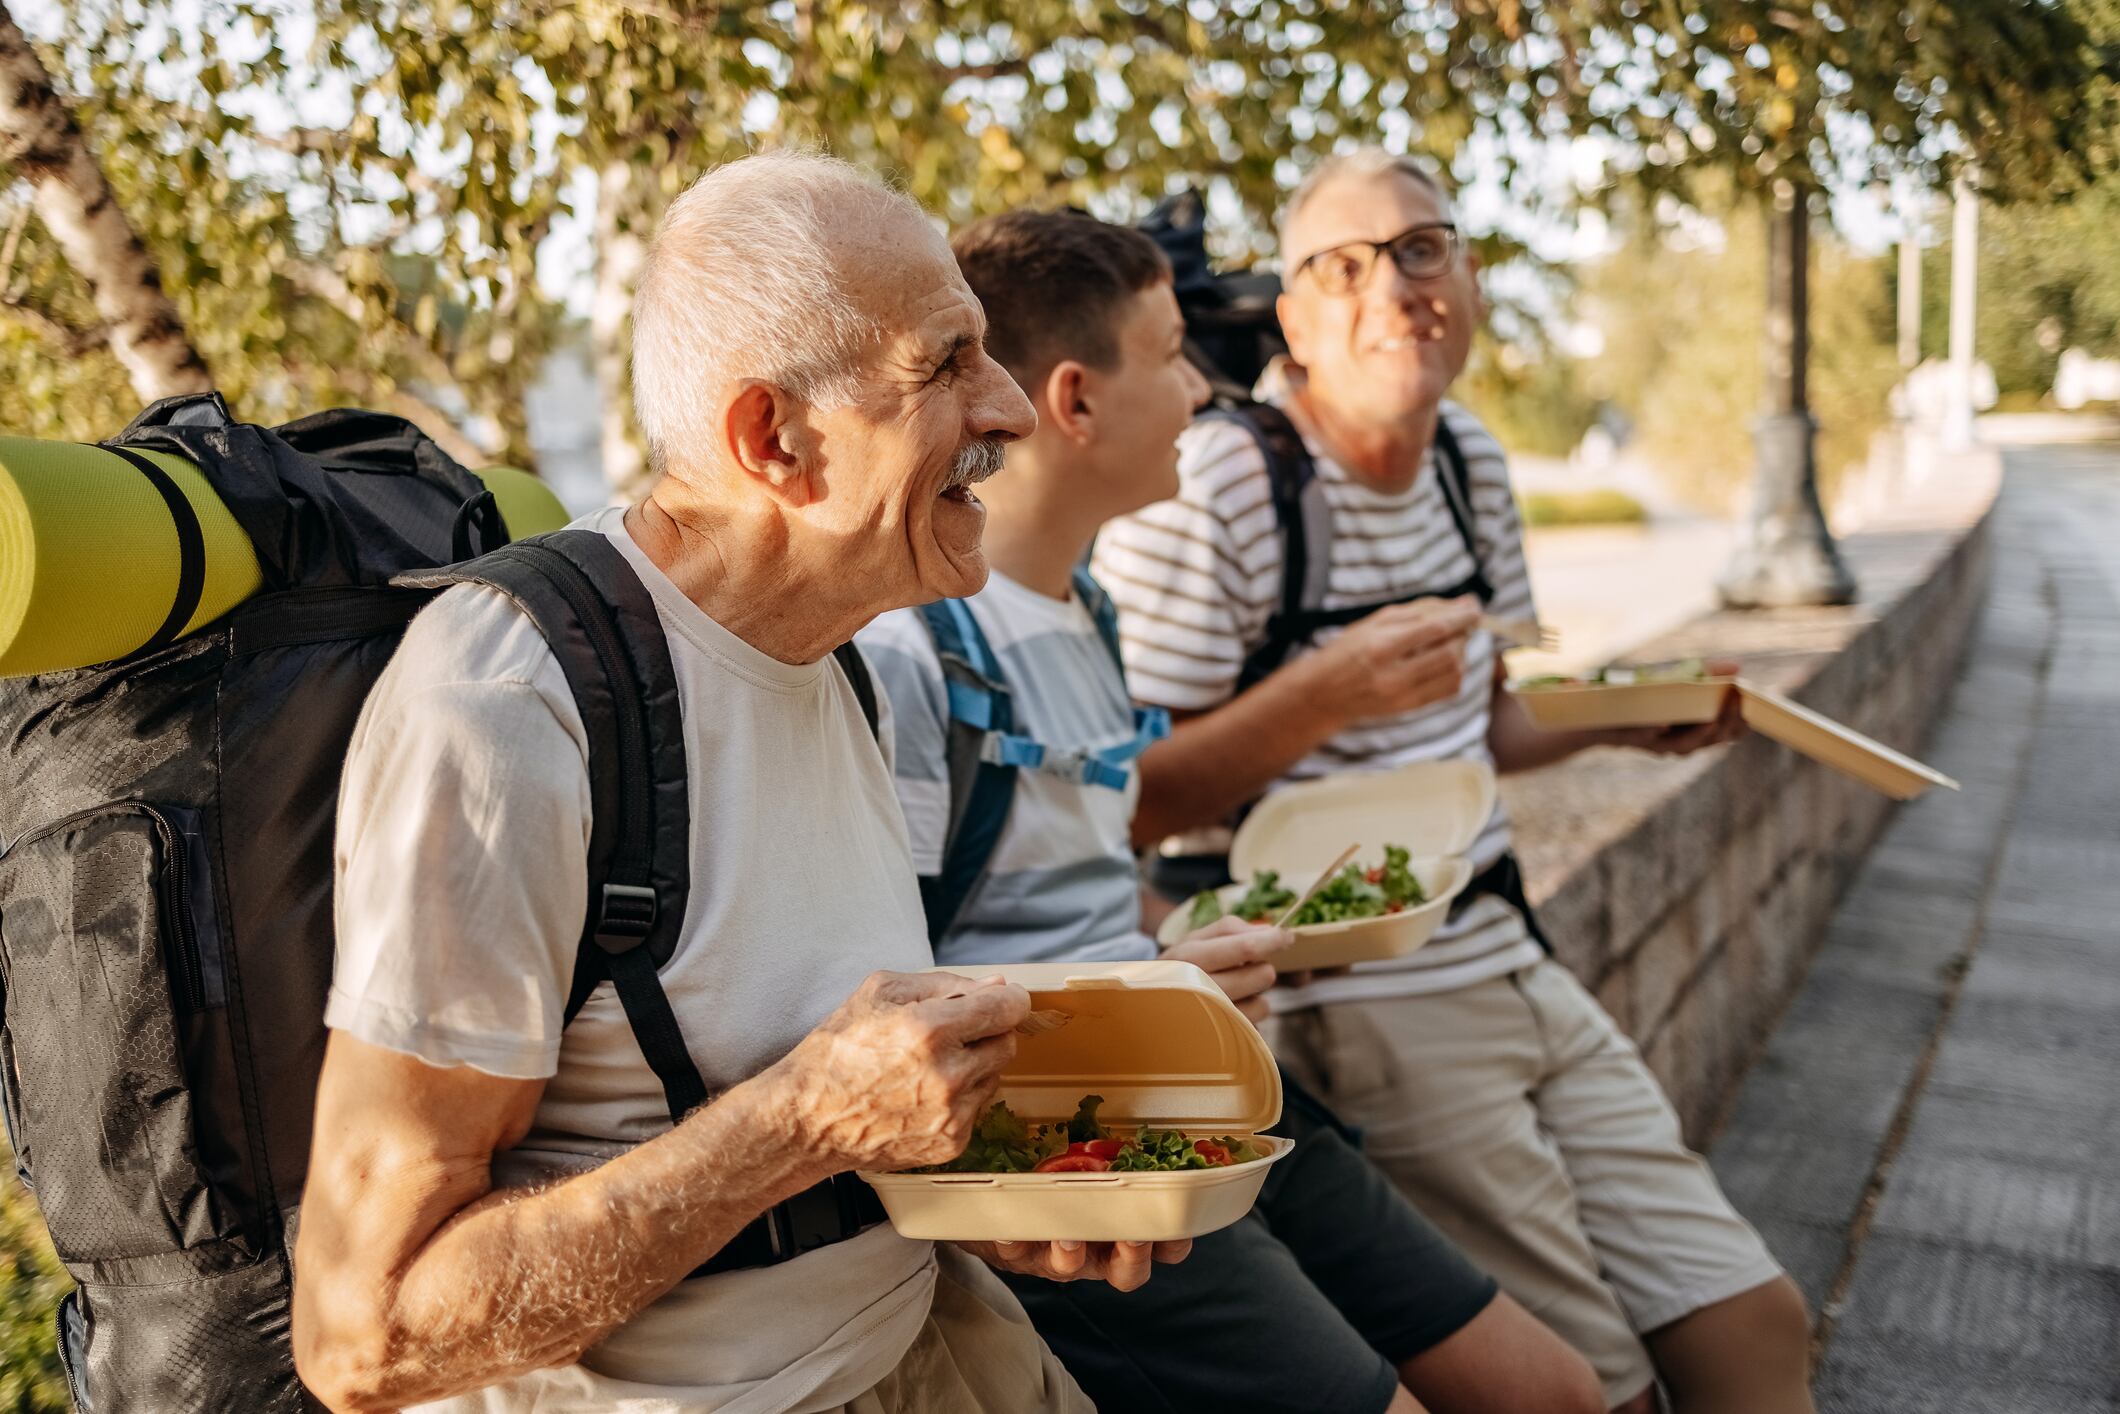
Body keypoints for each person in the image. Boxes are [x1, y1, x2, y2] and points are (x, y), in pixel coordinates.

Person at [292, 153, 1185, 1414]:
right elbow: (364, 1336)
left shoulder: (836, 650)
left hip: (924, 1340)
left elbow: (824, 1104)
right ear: (773, 438)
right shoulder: (506, 712)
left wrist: (996, 1193)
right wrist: (803, 1125)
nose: (1011, 410)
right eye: (942, 365)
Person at [1091, 150, 1817, 1414]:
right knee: (1600, 1390)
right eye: (1345, 265)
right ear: (1295, 321)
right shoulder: (1217, 481)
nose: (1397, 286)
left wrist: (1620, 726)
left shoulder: (1468, 462)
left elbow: (1478, 724)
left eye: (1424, 249)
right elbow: (1128, 802)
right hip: (1366, 1004)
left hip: (1505, 944)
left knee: (1755, 1320)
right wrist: (1324, 693)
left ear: (1470, 281)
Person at [859, 208, 1605, 1414]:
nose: (1206, 388)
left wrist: (1207, 941)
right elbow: (882, 987)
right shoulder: (914, 652)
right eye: (1170, 353)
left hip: (1195, 1085)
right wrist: (1156, 983)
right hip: (1081, 1171)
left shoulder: (1087, 609)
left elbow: (1081, 874)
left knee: (1558, 1391)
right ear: (1075, 401)